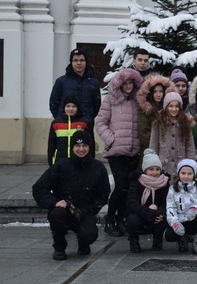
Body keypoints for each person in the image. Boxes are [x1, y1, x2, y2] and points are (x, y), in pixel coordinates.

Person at [32, 131, 110, 260]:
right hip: (64, 210)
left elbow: (103, 193)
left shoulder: (98, 167)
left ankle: (83, 243)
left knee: (89, 234)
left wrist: (90, 209)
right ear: (72, 148)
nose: (81, 149)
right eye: (77, 146)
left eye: (84, 146)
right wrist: (54, 202)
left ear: (90, 147)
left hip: (85, 211)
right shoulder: (61, 166)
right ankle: (59, 246)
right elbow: (39, 189)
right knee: (57, 215)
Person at [95, 68, 143, 237]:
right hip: (116, 151)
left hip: (133, 150)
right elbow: (100, 122)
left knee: (129, 186)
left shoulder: (138, 100)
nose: (128, 86)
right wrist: (111, 139)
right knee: (121, 184)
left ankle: (122, 218)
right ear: (119, 84)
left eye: (131, 83)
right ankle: (110, 218)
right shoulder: (110, 99)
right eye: (125, 83)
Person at [165, 159, 197, 255]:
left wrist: (195, 208)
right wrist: (174, 222)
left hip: (194, 219)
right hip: (181, 221)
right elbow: (170, 208)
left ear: (194, 174)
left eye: (189, 174)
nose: (186, 176)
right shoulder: (172, 189)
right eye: (183, 173)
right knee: (169, 234)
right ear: (178, 174)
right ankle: (182, 239)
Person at [125, 149, 170, 253]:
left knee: (163, 219)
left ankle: (157, 239)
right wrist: (149, 213)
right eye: (151, 169)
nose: (154, 172)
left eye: (157, 169)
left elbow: (166, 202)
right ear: (145, 170)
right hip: (141, 214)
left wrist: (160, 213)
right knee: (132, 220)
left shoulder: (164, 183)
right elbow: (132, 203)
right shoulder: (136, 182)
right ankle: (134, 240)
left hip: (157, 214)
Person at [49, 48, 101, 126]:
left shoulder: (93, 83)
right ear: (71, 62)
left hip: (86, 126)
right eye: (75, 60)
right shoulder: (61, 82)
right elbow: (54, 103)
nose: (79, 63)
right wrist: (60, 119)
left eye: (82, 60)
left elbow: (96, 105)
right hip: (64, 126)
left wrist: (88, 119)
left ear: (86, 62)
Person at [149, 92, 196, 176]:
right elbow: (153, 145)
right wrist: (152, 163)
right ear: (166, 107)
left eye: (176, 106)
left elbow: (190, 146)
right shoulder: (158, 123)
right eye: (171, 106)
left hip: (181, 165)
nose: (174, 109)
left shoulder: (185, 123)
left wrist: (191, 163)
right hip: (163, 164)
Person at [47, 95, 94, 166]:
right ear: (64, 107)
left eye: (74, 106)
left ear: (78, 108)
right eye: (68, 106)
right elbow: (51, 145)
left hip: (79, 160)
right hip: (60, 160)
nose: (71, 109)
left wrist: (91, 159)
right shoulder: (56, 123)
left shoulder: (84, 123)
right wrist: (51, 162)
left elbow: (91, 143)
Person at [136, 73, 172, 156]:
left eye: (160, 91)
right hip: (150, 151)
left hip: (168, 152)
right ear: (151, 93)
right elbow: (144, 133)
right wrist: (157, 146)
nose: (158, 94)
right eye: (155, 91)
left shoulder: (169, 108)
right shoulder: (145, 110)